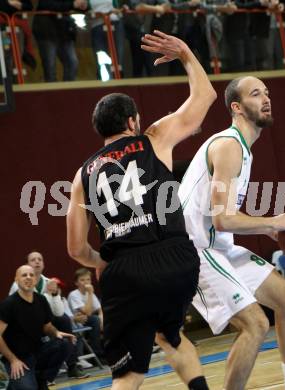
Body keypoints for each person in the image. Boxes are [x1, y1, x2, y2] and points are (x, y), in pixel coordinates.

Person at [66, 30, 216, 389]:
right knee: (172, 337)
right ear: (132, 122)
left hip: (126, 270)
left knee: (129, 374)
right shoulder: (153, 138)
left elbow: (75, 249)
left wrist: (103, 261)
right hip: (177, 259)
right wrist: (184, 53)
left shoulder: (82, 174)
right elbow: (205, 96)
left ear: (100, 130)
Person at [178, 76, 285, 390]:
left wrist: (269, 229)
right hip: (194, 251)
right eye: (255, 94)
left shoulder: (242, 148)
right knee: (256, 324)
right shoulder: (229, 146)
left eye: (266, 93)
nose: (265, 99)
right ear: (237, 107)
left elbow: (224, 221)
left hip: (217, 246)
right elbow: (223, 219)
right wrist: (274, 222)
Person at [0, 265, 75, 390]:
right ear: (16, 279)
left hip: (38, 352)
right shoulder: (8, 304)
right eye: (24, 275)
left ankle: (41, 378)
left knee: (65, 343)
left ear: (36, 280)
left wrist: (56, 333)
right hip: (18, 359)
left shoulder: (41, 300)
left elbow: (47, 327)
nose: (28, 278)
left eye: (31, 275)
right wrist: (13, 360)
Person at [68, 268, 104, 360]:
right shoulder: (74, 294)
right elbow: (87, 312)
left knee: (102, 319)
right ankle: (97, 354)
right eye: (82, 280)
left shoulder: (89, 293)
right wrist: (91, 293)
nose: (86, 282)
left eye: (88, 279)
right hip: (76, 322)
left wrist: (102, 317)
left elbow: (100, 309)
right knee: (95, 320)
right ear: (76, 283)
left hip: (88, 320)